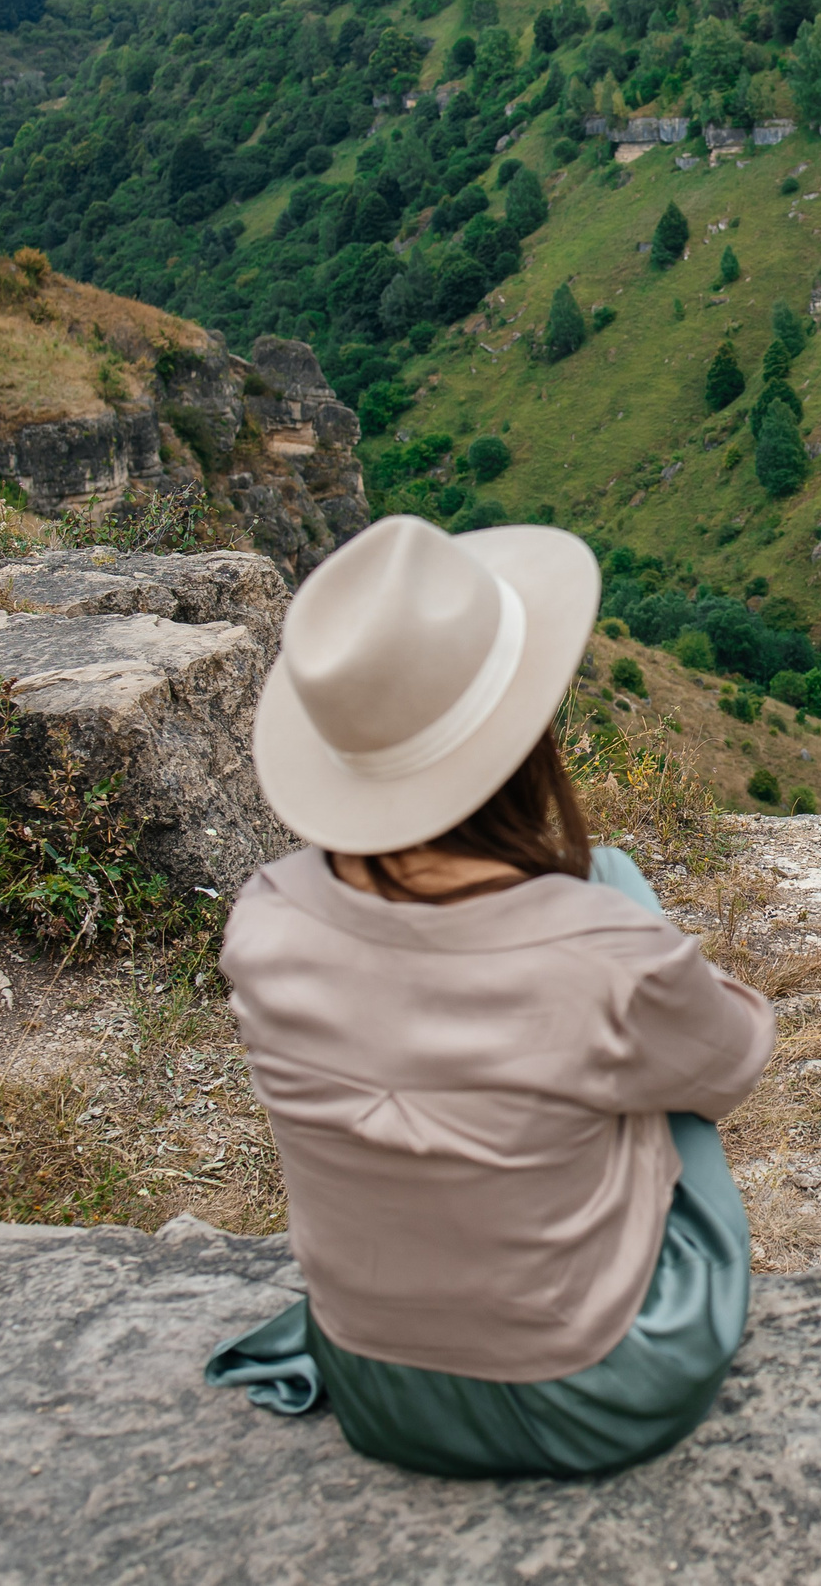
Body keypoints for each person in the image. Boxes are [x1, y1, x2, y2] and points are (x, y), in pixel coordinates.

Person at [205, 515, 775, 1479]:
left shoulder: (263, 921)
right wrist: (627, 930)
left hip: (373, 1385)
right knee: (628, 924)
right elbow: (732, 1063)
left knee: (605, 906)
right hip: (592, 1393)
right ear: (524, 737)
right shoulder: (600, 951)